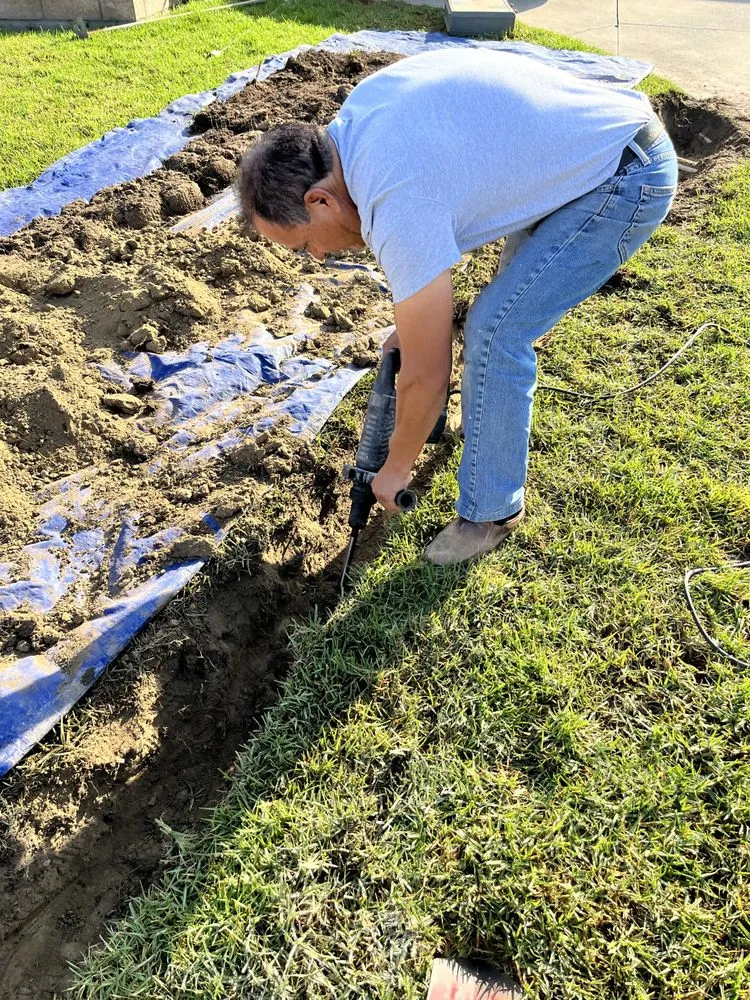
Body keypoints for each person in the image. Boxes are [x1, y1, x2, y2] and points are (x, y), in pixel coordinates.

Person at [236, 47, 678, 565]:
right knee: (491, 320)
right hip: (577, 153)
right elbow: (444, 201)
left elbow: (426, 374)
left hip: (623, 175)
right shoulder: (353, 132)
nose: (316, 256)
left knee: (497, 330)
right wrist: (416, 328)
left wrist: (396, 467)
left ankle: (490, 513)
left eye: (305, 243)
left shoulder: (394, 199)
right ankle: (486, 419)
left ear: (320, 201)